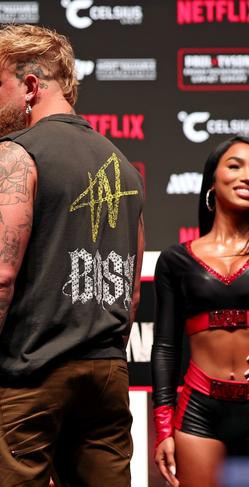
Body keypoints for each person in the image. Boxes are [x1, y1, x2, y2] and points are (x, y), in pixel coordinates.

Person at [0, 25, 145, 486]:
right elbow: (129, 296)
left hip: (29, 377)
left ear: (31, 86)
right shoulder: (125, 166)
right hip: (107, 379)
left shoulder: (15, 153)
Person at [152, 135, 249, 487]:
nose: (246, 176)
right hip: (200, 410)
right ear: (212, 181)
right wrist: (163, 428)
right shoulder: (176, 260)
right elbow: (165, 347)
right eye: (235, 166)